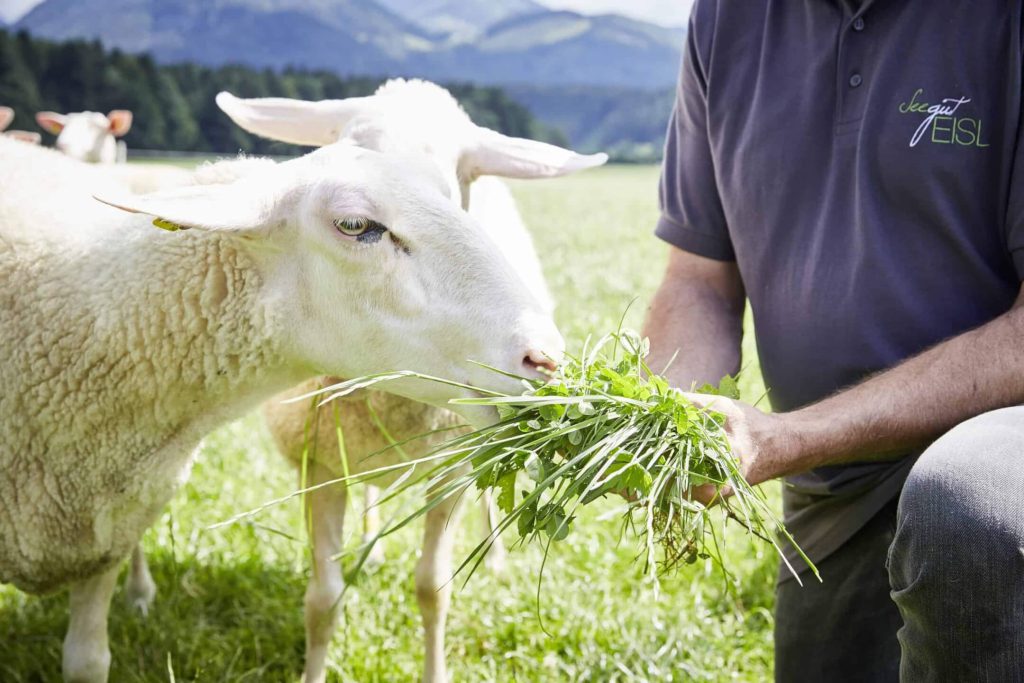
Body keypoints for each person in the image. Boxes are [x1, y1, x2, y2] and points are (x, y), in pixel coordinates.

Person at [642, 1, 1024, 680]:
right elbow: (698, 281)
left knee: (959, 507)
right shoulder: (727, 17)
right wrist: (676, 421)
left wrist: (786, 438)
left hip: (991, 469)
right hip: (829, 497)